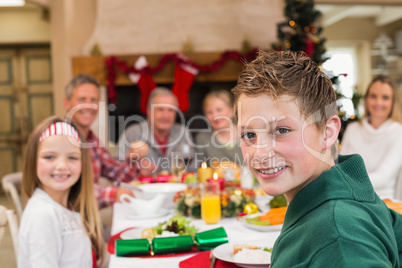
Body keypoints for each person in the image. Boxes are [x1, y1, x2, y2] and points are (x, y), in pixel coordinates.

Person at [232, 50, 402, 267]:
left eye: (282, 130)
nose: (260, 153)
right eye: (249, 135)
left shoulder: (339, 235)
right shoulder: (343, 199)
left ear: (328, 133)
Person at [19, 116, 105, 268]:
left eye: (72, 157)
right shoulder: (42, 215)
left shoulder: (67, 207)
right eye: (49, 157)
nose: (62, 166)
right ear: (34, 161)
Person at [64, 74, 139, 208]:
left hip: (87, 220)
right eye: (82, 99)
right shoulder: (61, 137)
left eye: (94, 100)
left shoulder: (91, 139)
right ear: (67, 103)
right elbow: (71, 190)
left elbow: (117, 175)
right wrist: (114, 194)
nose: (88, 106)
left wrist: (132, 159)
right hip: (66, 222)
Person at [341, 75, 402, 199]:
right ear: (367, 99)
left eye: (385, 97)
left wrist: (344, 183)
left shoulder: (398, 132)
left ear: (393, 102)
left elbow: (383, 177)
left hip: (382, 201)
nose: (378, 102)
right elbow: (340, 166)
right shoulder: (352, 129)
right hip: (349, 197)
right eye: (373, 96)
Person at [116, 87, 196, 174]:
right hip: (143, 186)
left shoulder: (183, 133)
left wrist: (184, 169)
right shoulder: (133, 133)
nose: (166, 116)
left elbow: (193, 168)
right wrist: (136, 169)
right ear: (149, 112)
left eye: (170, 110)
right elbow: (115, 169)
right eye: (160, 110)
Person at [195, 90, 243, 165]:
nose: (215, 116)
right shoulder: (202, 139)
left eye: (219, 110)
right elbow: (199, 169)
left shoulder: (247, 134)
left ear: (232, 111)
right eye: (209, 112)